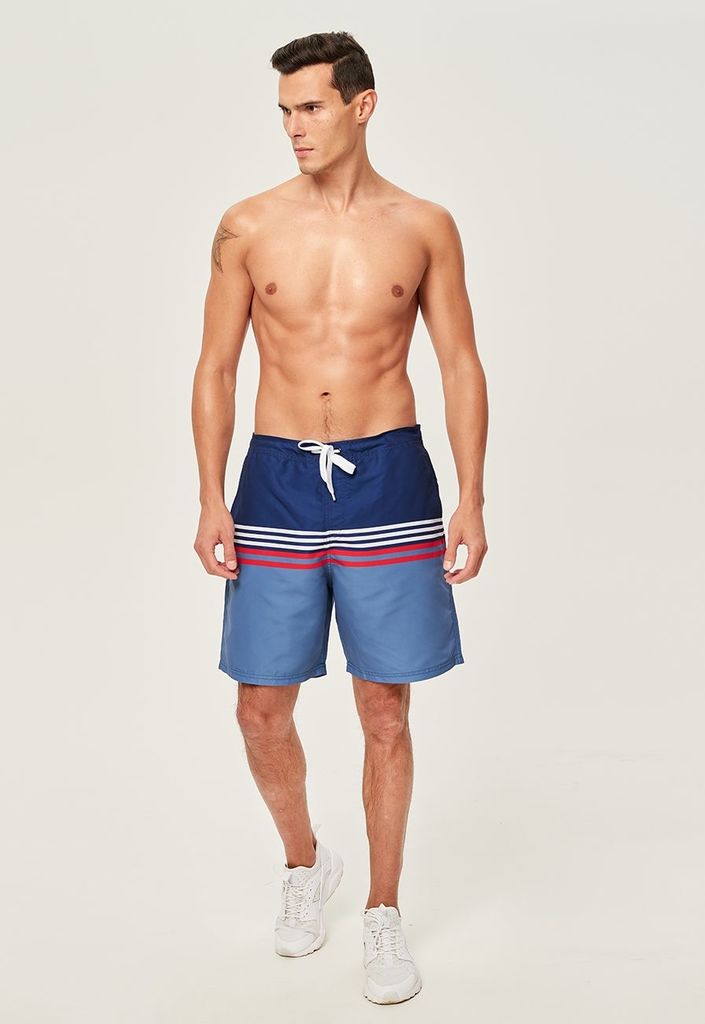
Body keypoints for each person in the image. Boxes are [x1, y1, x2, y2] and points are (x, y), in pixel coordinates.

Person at [191, 30, 488, 1005]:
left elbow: (458, 363)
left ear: (363, 105)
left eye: (311, 106)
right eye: (284, 111)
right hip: (274, 480)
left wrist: (472, 495)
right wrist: (209, 494)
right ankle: (306, 862)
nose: (294, 127)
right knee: (259, 707)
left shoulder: (424, 225)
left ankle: (384, 909)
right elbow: (215, 368)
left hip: (390, 477)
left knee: (384, 709)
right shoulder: (246, 225)